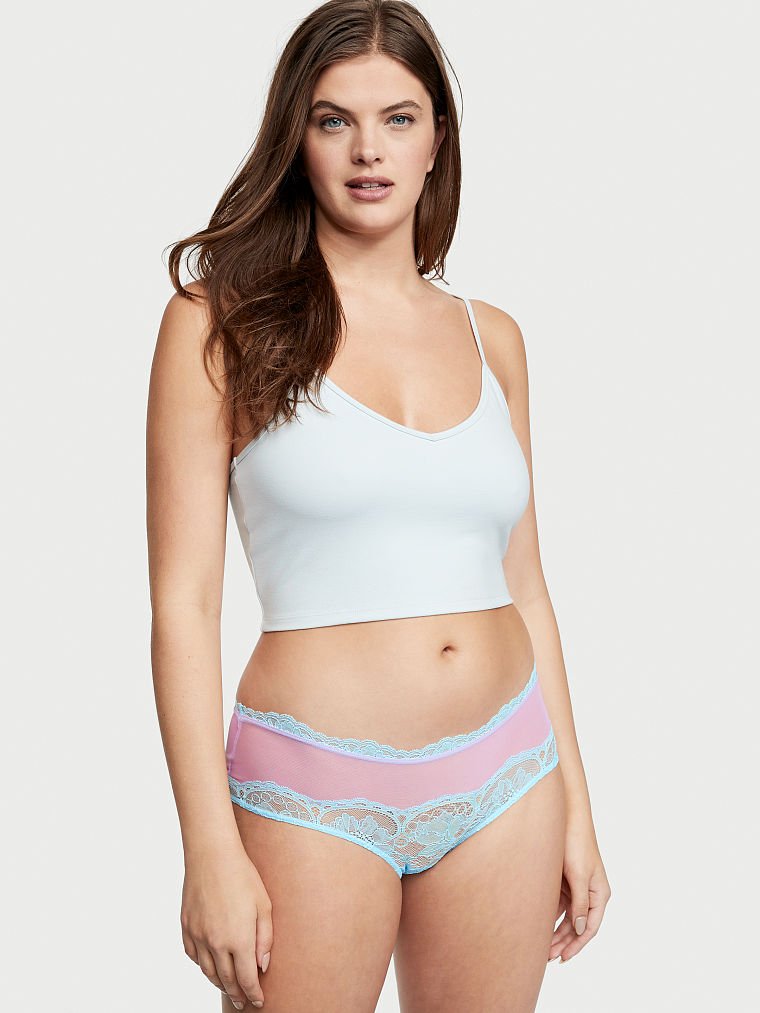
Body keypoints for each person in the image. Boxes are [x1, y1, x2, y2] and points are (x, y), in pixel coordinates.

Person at [146, 1, 611, 1009]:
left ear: (438, 137)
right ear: (296, 138)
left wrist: (576, 801)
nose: (369, 150)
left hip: (507, 774)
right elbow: (184, 605)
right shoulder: (217, 323)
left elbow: (527, 586)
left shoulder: (494, 337)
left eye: (398, 118)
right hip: (311, 787)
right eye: (334, 120)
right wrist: (207, 847)